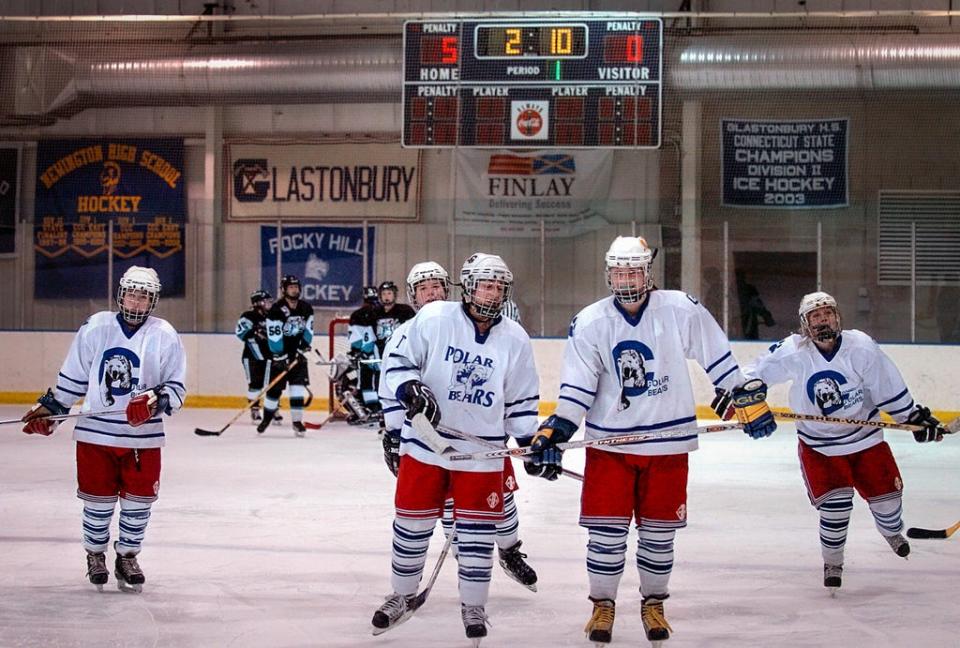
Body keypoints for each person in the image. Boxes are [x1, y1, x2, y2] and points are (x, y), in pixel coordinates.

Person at [528, 236, 776, 646]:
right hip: (610, 449)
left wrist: (743, 398)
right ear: (609, 274)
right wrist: (557, 429)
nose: (627, 279)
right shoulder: (590, 322)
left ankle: (654, 602)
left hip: (668, 447)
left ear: (648, 272)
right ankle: (602, 606)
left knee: (659, 536)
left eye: (634, 270)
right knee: (606, 537)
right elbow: (575, 390)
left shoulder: (681, 308)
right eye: (620, 271)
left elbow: (718, 357)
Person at [371, 253, 540, 645]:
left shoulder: (515, 337)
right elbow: (396, 364)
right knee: (411, 526)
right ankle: (400, 594)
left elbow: (521, 400)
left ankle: (474, 604)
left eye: (499, 286)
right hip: (426, 446)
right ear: (467, 285)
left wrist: (532, 442)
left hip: (481, 458)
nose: (492, 293)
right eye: (485, 284)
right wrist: (407, 393)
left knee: (478, 532)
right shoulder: (433, 321)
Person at [735, 291, 946, 592]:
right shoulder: (793, 351)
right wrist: (746, 395)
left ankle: (891, 531)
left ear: (837, 317)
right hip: (820, 448)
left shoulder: (860, 347)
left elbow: (887, 386)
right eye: (815, 316)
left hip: (866, 440)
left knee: (888, 504)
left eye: (827, 314)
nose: (822, 320)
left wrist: (913, 417)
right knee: (835, 510)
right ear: (804, 324)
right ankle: (833, 560)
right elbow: (753, 374)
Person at [20, 265, 186, 593]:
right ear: (121, 294)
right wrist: (52, 408)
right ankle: (95, 554)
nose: (136, 302)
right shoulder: (96, 327)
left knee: (139, 503)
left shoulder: (164, 334)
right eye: (132, 294)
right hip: (96, 433)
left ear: (153, 301)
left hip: (143, 438)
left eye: (144, 297)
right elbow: (74, 375)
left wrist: (155, 400)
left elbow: (176, 389)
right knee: (97, 502)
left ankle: (126, 557)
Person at [257, 275, 314, 437]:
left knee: (297, 388)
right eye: (290, 287)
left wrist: (303, 347)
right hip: (279, 357)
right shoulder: (276, 310)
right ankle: (266, 418)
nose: (294, 290)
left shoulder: (306, 308)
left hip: (298, 356)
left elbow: (308, 331)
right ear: (284, 290)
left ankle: (297, 422)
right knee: (274, 392)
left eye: (296, 287)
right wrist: (280, 356)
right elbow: (274, 337)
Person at [235, 289, 282, 424]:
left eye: (269, 301)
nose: (269, 304)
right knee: (256, 384)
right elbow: (241, 333)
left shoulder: (273, 316)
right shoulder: (249, 316)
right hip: (252, 357)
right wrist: (255, 331)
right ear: (257, 303)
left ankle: (272, 409)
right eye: (266, 301)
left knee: (273, 384)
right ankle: (255, 410)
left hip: (271, 356)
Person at [373, 280, 416, 356]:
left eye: (389, 293)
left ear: (394, 295)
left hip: (400, 350)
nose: (386, 296)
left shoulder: (405, 311)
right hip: (379, 352)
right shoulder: (374, 312)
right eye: (384, 294)